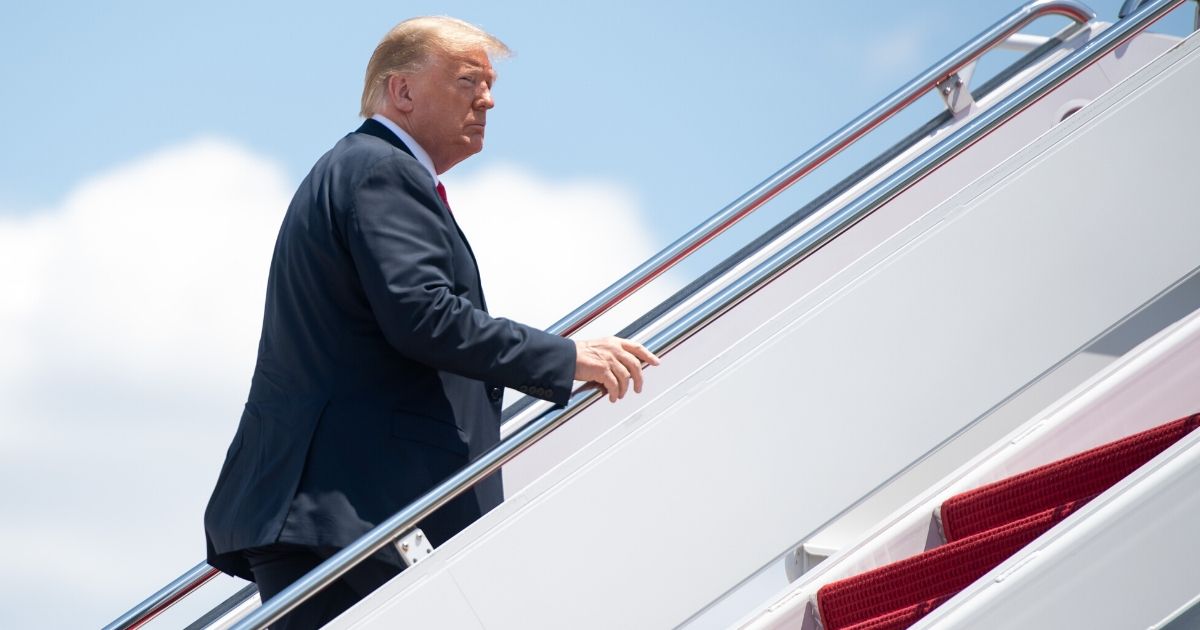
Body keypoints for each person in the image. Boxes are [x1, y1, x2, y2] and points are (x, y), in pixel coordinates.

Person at [202, 16, 659, 629]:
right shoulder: (380, 169)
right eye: (469, 80)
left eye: (491, 84)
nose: (488, 99)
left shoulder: (362, 169)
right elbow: (423, 314)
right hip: (358, 510)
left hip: (338, 509)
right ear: (403, 91)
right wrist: (564, 357)